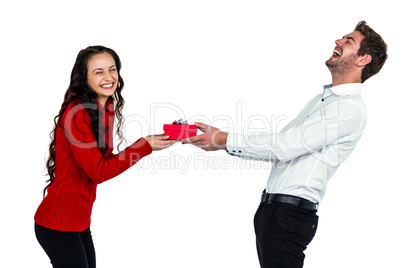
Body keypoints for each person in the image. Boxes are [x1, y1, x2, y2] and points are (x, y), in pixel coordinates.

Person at [182, 21, 387, 267]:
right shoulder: (323, 100)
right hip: (275, 212)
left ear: (363, 60)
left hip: (289, 214)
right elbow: (281, 150)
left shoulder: (348, 108)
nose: (338, 41)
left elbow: (284, 146)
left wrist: (224, 139)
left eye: (348, 41)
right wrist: (222, 141)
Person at [34, 46, 176, 268]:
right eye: (98, 72)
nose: (109, 77)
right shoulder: (77, 114)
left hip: (80, 222)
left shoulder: (105, 106)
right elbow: (99, 171)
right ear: (84, 77)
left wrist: (151, 143)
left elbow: (106, 160)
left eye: (112, 69)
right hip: (57, 225)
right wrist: (145, 146)